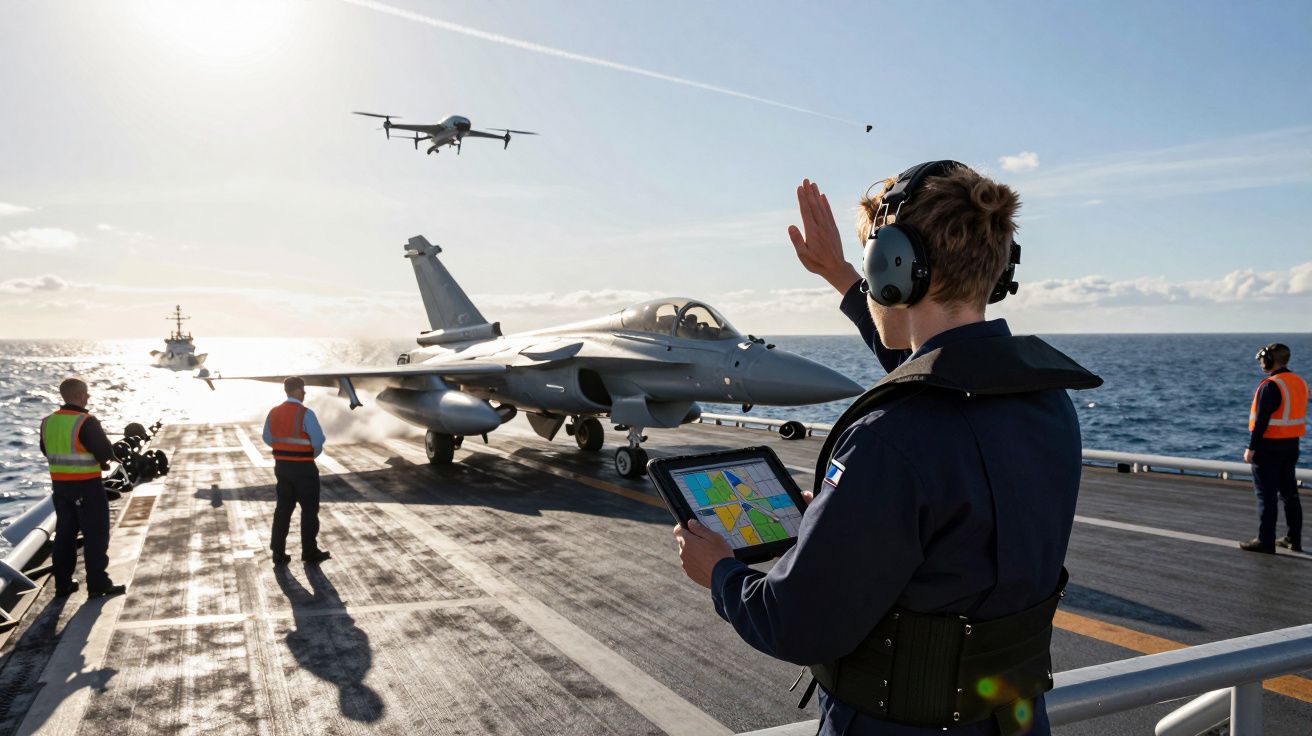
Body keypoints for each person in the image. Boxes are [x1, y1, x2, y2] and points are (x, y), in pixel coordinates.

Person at [675, 162, 1100, 736]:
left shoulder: (890, 438)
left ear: (892, 267)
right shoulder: (1045, 403)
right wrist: (839, 275)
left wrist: (720, 573)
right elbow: (932, 374)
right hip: (1012, 720)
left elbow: (795, 624)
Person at [39, 378, 127, 598]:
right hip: (87, 486)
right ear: (79, 395)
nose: (88, 397)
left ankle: (63, 584)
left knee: (64, 535)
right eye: (86, 393)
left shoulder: (47, 422)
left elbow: (46, 450)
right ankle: (98, 584)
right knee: (95, 535)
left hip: (60, 488)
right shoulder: (85, 421)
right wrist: (105, 461)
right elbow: (105, 453)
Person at [1240, 343, 1305, 553]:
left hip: (1268, 447)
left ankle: (1265, 541)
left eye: (1263, 360)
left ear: (1270, 360)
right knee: (1289, 494)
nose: (1261, 364)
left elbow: (1261, 421)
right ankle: (1293, 539)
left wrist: (1251, 448)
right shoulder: (1299, 382)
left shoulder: (1271, 385)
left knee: (1266, 495)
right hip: (1291, 445)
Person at [263, 376, 330, 565]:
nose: (305, 393)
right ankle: (309, 552)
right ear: (299, 390)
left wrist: (284, 451)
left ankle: (278, 553)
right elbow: (318, 441)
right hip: (304, 469)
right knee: (309, 510)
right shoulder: (305, 413)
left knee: (283, 510)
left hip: (282, 467)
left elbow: (267, 437)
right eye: (303, 390)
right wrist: (308, 455)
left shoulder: (274, 412)